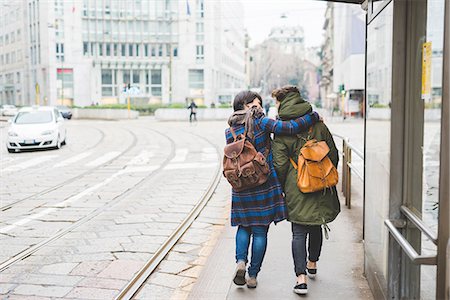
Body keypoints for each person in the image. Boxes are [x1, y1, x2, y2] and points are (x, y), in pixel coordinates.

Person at [225, 90, 320, 289]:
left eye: (258, 102)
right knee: (260, 231)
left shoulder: (230, 128)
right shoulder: (260, 122)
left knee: (244, 226)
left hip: (241, 184)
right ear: (245, 105)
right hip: (263, 182)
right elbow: (290, 128)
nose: (257, 106)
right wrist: (313, 117)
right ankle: (252, 275)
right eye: (253, 103)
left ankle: (240, 261)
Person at [271, 86, 340, 295]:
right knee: (316, 224)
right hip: (320, 181)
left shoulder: (282, 129)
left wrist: (284, 188)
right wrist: (324, 173)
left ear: (281, 102)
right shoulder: (317, 124)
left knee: (298, 231)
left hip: (296, 185)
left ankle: (300, 278)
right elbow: (334, 154)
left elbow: (280, 165)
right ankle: (312, 263)